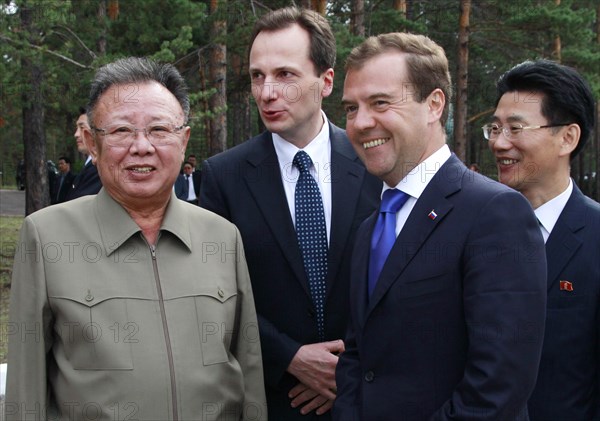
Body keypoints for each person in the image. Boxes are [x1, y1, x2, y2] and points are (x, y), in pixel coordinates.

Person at [5, 57, 266, 421]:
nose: (141, 147)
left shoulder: (222, 237)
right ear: (94, 144)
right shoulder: (47, 236)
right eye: (121, 131)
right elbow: (25, 388)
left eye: (159, 129)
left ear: (183, 139)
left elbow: (249, 368)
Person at [333, 32, 547, 420]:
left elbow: (498, 384)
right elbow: (358, 356)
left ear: (434, 104)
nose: (361, 123)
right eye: (350, 108)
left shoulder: (495, 213)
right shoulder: (370, 228)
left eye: (380, 102)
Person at [200, 7, 380, 420]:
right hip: (272, 398)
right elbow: (213, 296)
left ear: (327, 81)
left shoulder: (376, 165)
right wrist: (291, 358)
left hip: (367, 396)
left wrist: (344, 370)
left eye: (285, 75)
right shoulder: (224, 177)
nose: (266, 92)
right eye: (257, 76)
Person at [487, 59, 600, 420]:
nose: (500, 143)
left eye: (516, 129)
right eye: (495, 128)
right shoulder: (473, 230)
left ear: (567, 137)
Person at [64, 107, 102, 201]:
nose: (76, 134)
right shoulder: (91, 165)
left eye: (82, 127)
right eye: (77, 128)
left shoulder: (100, 167)